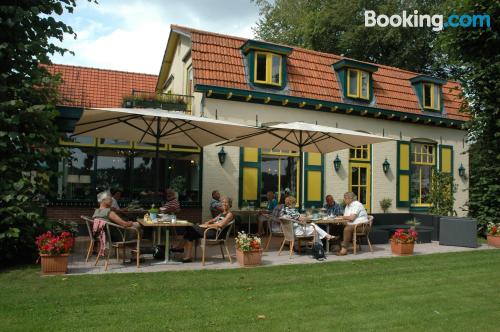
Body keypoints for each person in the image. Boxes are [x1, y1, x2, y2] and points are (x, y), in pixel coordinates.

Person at [181, 196, 234, 263]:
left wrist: (207, 226)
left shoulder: (229, 214)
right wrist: (208, 222)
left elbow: (220, 225)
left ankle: (180, 249)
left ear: (230, 204)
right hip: (211, 230)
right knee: (190, 231)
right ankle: (187, 256)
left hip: (215, 233)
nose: (224, 204)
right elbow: (213, 220)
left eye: (226, 202)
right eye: (223, 202)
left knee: (190, 228)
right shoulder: (221, 214)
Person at [336, 192, 369, 256]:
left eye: (345, 198)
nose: (344, 200)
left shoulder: (356, 205)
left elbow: (351, 218)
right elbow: (346, 218)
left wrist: (342, 217)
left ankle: (344, 250)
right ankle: (336, 246)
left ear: (350, 198)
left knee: (347, 229)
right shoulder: (347, 206)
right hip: (353, 225)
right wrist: (339, 220)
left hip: (362, 226)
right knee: (337, 226)